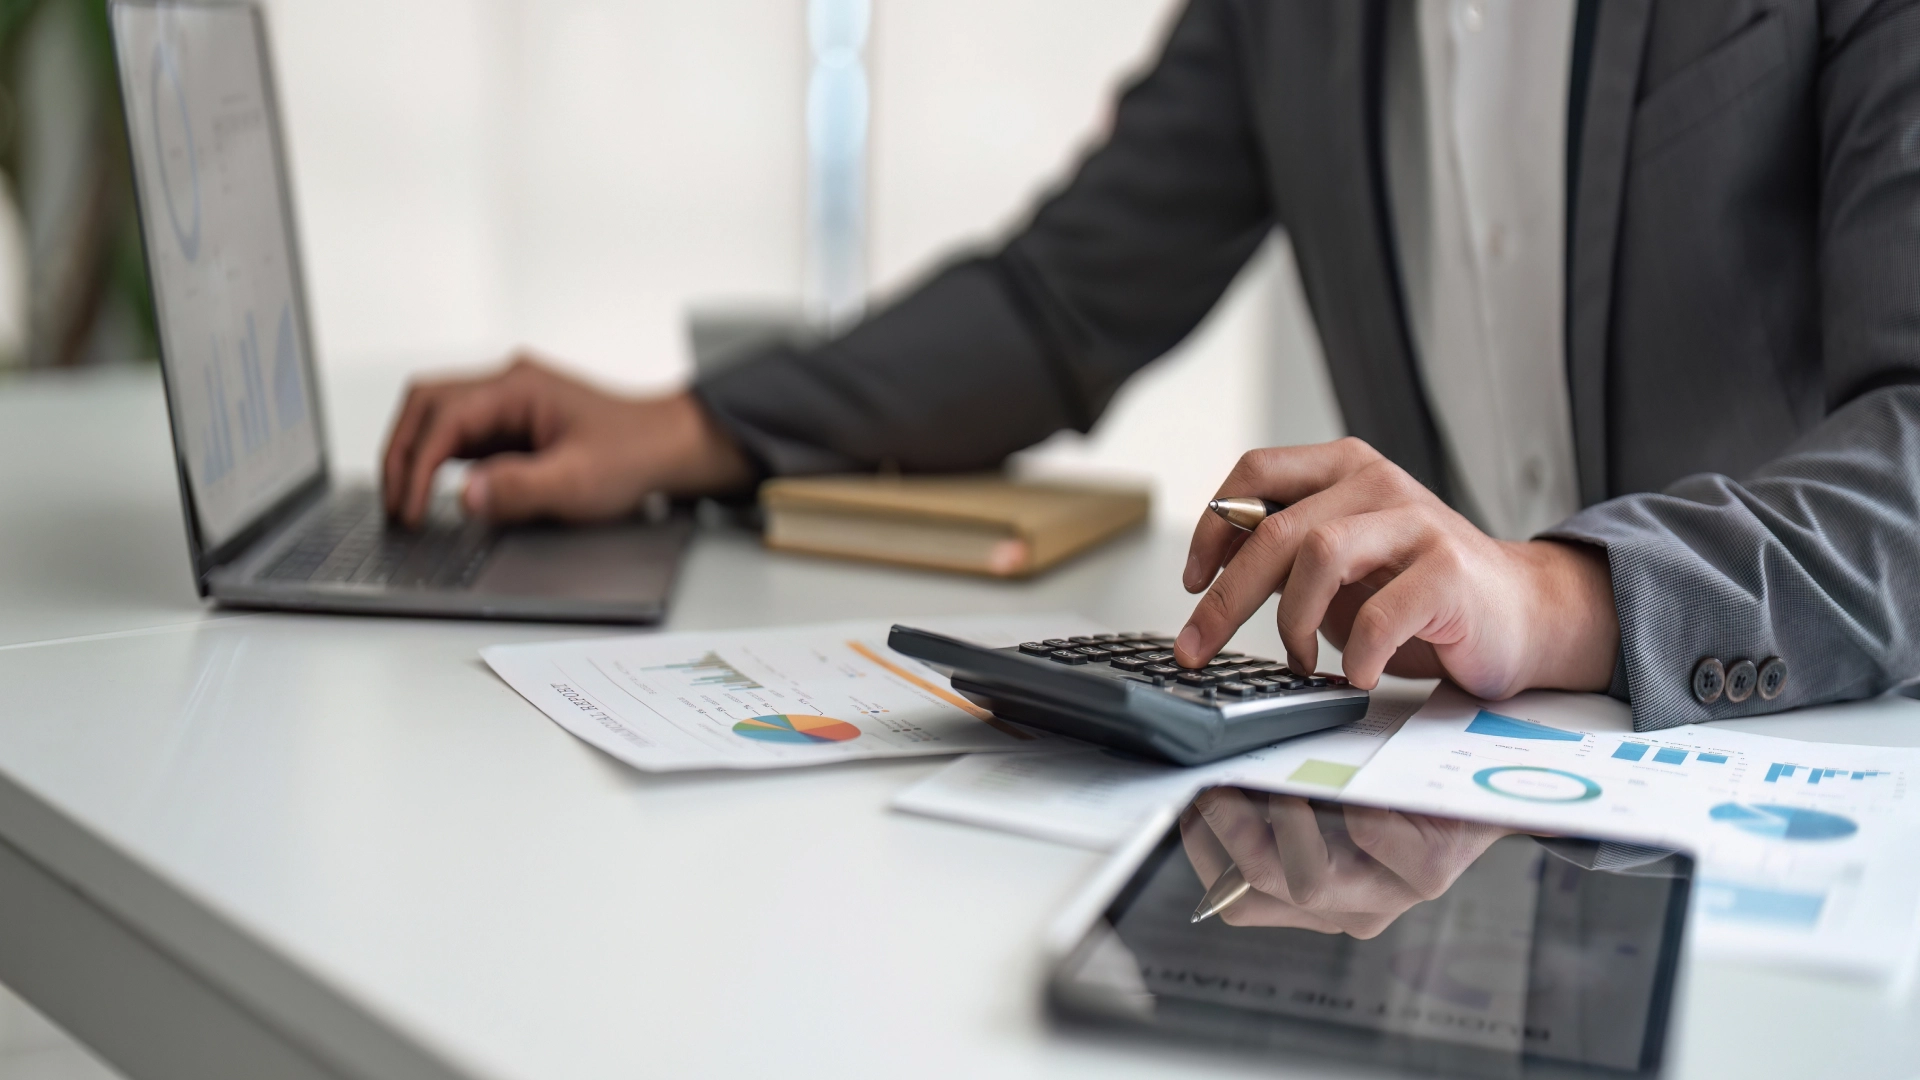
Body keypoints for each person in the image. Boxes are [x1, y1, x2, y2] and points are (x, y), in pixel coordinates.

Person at [381, 0, 1920, 731]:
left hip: (1804, 761)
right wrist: (689, 428)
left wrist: (1558, 591)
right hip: (1434, 806)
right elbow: (1063, 301)